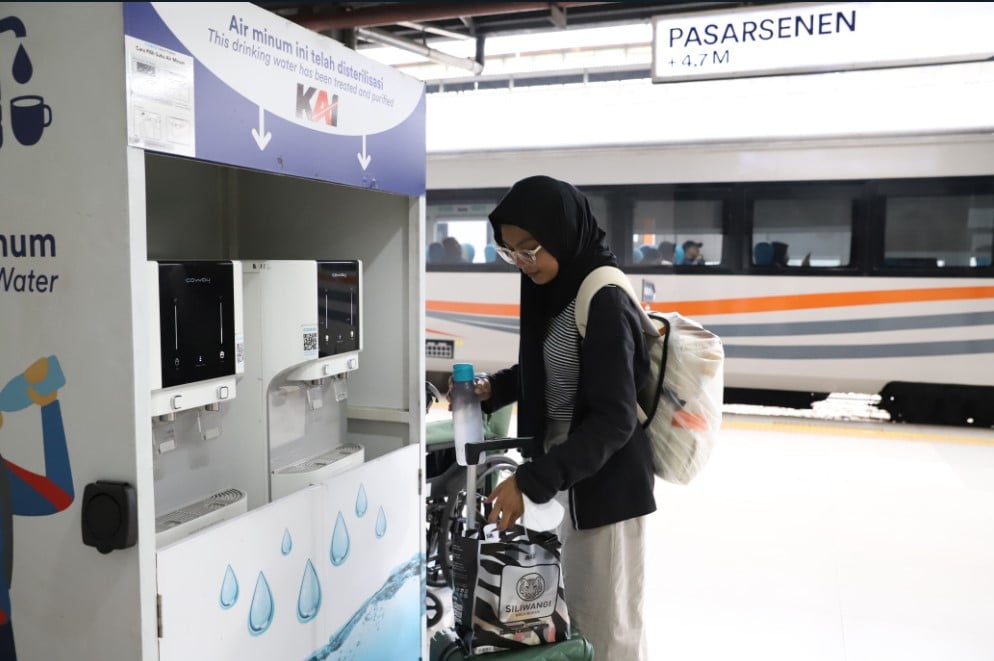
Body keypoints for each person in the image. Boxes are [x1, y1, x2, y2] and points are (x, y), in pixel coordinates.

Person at [467, 175, 656, 660]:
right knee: (567, 631)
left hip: (605, 493)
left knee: (606, 635)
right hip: (563, 485)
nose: (522, 262)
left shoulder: (604, 297)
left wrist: (532, 481)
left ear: (562, 233)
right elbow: (551, 369)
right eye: (509, 251)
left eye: (530, 248)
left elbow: (614, 419)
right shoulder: (550, 290)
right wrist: (495, 389)